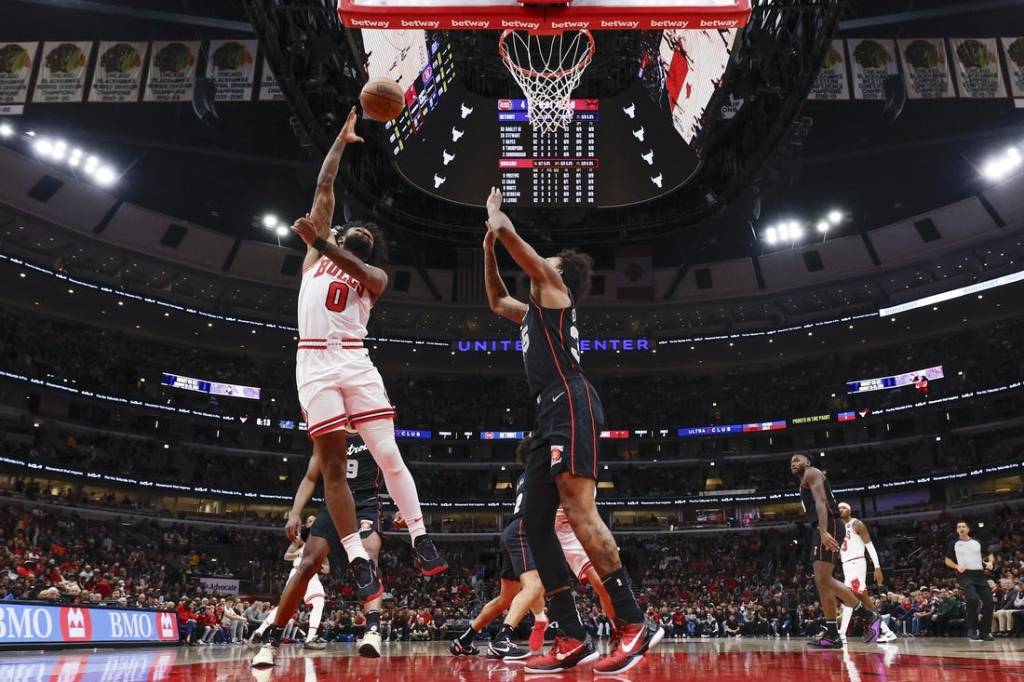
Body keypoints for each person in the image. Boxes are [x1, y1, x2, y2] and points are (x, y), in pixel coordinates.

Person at [482, 187, 661, 675]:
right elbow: (497, 300)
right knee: (533, 525)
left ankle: (632, 622)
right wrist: (486, 248)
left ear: (558, 274)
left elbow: (513, 241)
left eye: (548, 260)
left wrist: (497, 219)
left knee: (580, 514)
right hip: (548, 416)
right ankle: (571, 636)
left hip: (571, 404)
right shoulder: (534, 314)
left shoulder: (556, 294)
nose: (542, 263)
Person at [288, 106, 445, 591]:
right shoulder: (315, 259)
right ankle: (356, 557)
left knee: (387, 452)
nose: (360, 230)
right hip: (313, 361)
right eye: (347, 229)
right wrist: (338, 143)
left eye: (366, 235)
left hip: (355, 360)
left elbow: (350, 257)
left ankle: (420, 537)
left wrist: (325, 241)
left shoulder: (371, 277)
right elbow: (324, 191)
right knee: (333, 466)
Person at [252, 435, 389, 667]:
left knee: (368, 554)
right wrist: (295, 512)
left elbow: (396, 470)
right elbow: (309, 477)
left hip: (364, 504)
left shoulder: (373, 425)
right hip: (333, 503)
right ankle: (272, 641)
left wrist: (406, 509)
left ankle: (373, 630)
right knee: (307, 565)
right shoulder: (329, 430)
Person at [450, 466, 546, 660]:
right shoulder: (544, 469)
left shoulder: (525, 475)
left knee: (505, 599)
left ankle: (465, 639)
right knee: (534, 585)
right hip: (523, 530)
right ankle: (503, 639)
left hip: (514, 530)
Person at [790, 453, 881, 648]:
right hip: (823, 526)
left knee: (823, 579)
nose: (793, 463)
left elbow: (821, 502)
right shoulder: (805, 480)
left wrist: (823, 531)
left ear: (808, 462)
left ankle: (869, 615)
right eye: (791, 462)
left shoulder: (811, 473)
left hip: (828, 525)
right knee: (822, 583)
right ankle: (832, 634)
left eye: (797, 460)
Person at [836, 502, 897, 643]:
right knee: (864, 600)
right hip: (846, 564)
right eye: (839, 508)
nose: (841, 510)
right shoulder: (838, 527)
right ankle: (887, 630)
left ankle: (842, 633)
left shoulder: (857, 524)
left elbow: (870, 546)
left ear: (850, 510)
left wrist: (877, 567)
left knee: (847, 596)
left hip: (857, 562)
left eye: (844, 507)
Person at [943, 519, 995, 641]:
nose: (961, 528)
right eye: (958, 527)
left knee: (989, 603)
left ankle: (985, 632)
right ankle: (972, 629)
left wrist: (990, 562)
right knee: (972, 599)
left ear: (968, 529)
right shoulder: (953, 544)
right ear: (957, 530)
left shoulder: (978, 542)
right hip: (965, 575)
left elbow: (989, 554)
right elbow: (947, 560)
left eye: (963, 526)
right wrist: (956, 566)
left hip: (980, 574)